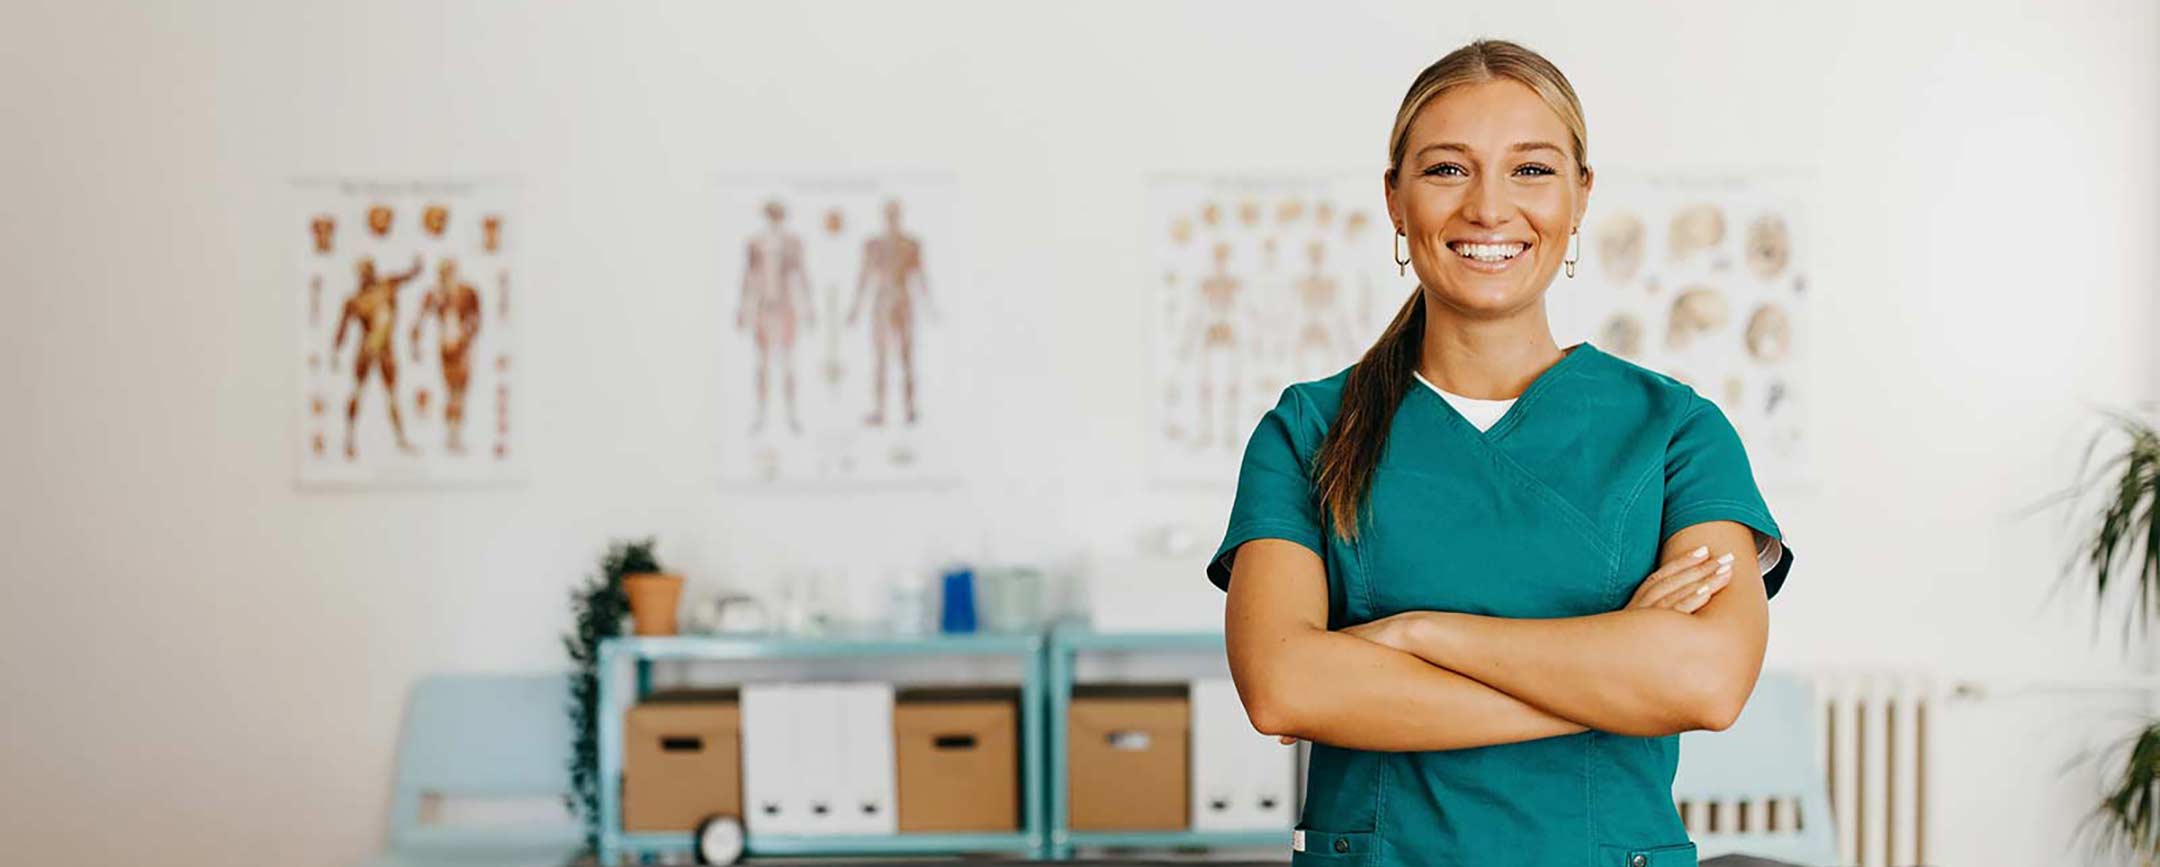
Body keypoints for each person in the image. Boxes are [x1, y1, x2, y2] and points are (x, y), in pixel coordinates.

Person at [1211, 39, 1793, 867]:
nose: (1489, 208)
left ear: (1581, 195)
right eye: (1448, 169)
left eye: (1531, 170)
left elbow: (1707, 681)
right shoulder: (1308, 432)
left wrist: (1415, 633)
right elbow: (1283, 688)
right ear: (1395, 199)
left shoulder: (1676, 432)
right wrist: (1613, 672)